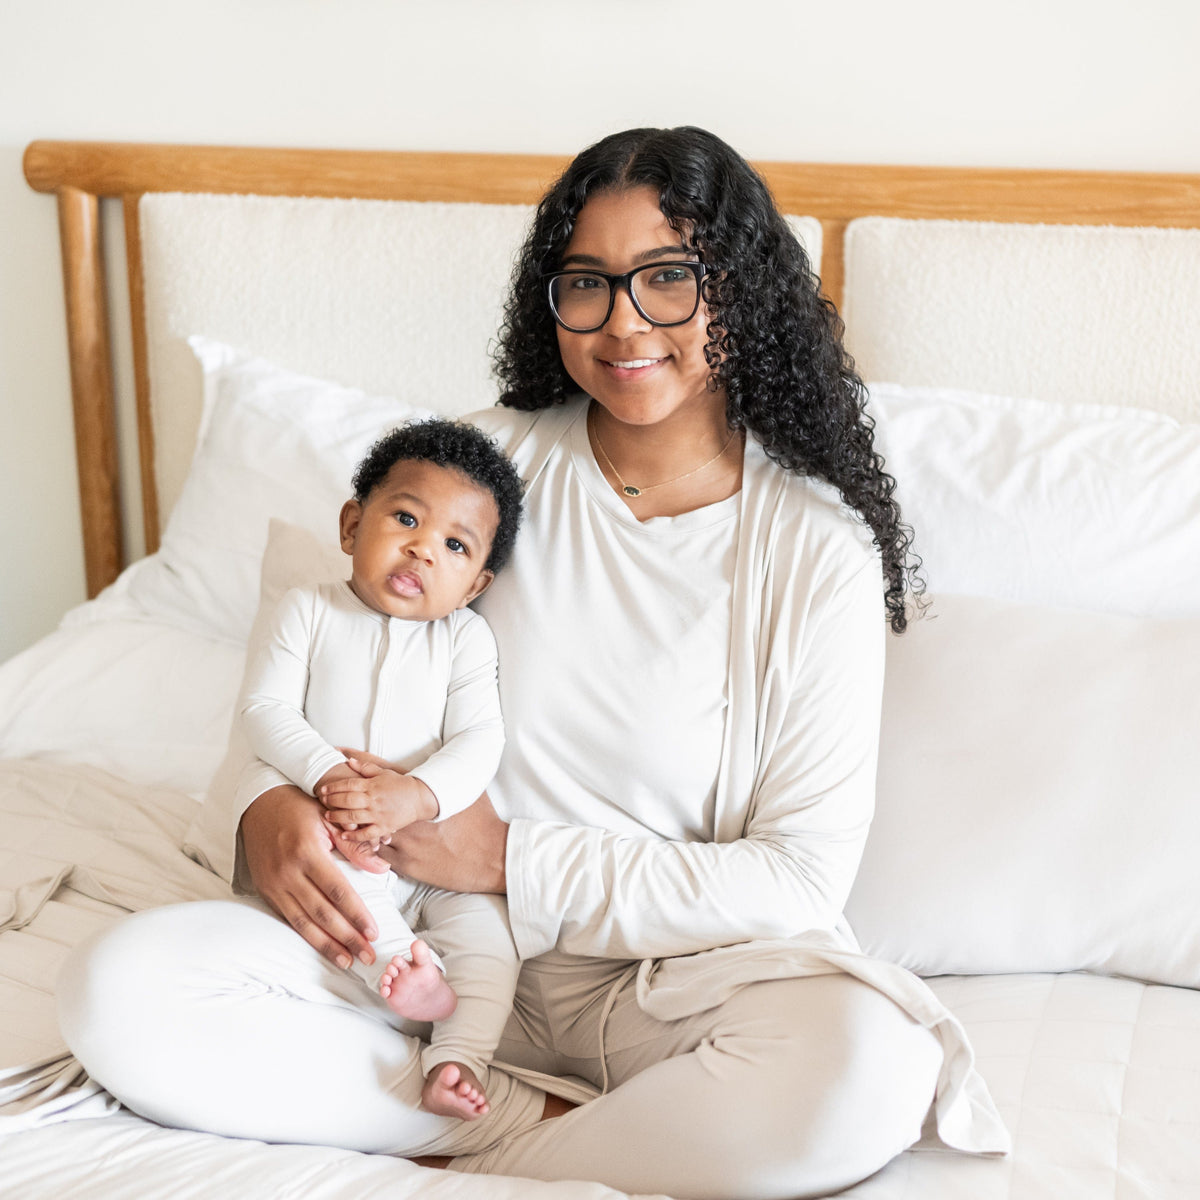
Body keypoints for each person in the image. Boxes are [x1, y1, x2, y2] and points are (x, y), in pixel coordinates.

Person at [59, 126, 1008, 1196]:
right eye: (586, 284)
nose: (623, 322)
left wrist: (507, 859)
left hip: (664, 987)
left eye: (667, 279)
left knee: (870, 1067)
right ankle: (529, 1119)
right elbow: (298, 685)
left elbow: (796, 876)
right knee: (121, 990)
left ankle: (490, 1139)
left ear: (739, 291)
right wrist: (261, 813)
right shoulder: (473, 477)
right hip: (411, 949)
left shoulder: (815, 550)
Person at [237, 417, 524, 1121]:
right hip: (341, 836)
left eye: (454, 546)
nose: (424, 549)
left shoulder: (466, 641)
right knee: (346, 887)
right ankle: (396, 966)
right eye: (405, 518)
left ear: (476, 581)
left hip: (435, 855)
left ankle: (458, 1059)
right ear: (350, 524)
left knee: (494, 943)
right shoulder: (308, 610)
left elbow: (479, 741)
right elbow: (265, 710)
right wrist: (326, 774)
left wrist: (417, 796)